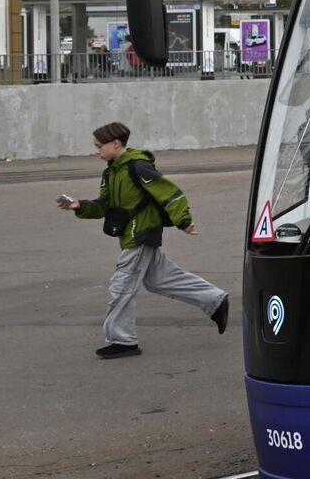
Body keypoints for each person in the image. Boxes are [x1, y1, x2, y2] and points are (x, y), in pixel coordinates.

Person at [56, 122, 227, 359]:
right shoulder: (111, 172)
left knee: (121, 287)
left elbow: (170, 193)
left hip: (141, 234)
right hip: (130, 234)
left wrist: (183, 220)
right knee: (159, 279)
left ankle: (122, 340)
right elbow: (105, 205)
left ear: (116, 143)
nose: (96, 151)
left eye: (99, 146)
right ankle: (215, 300)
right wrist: (79, 206)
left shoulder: (138, 166)